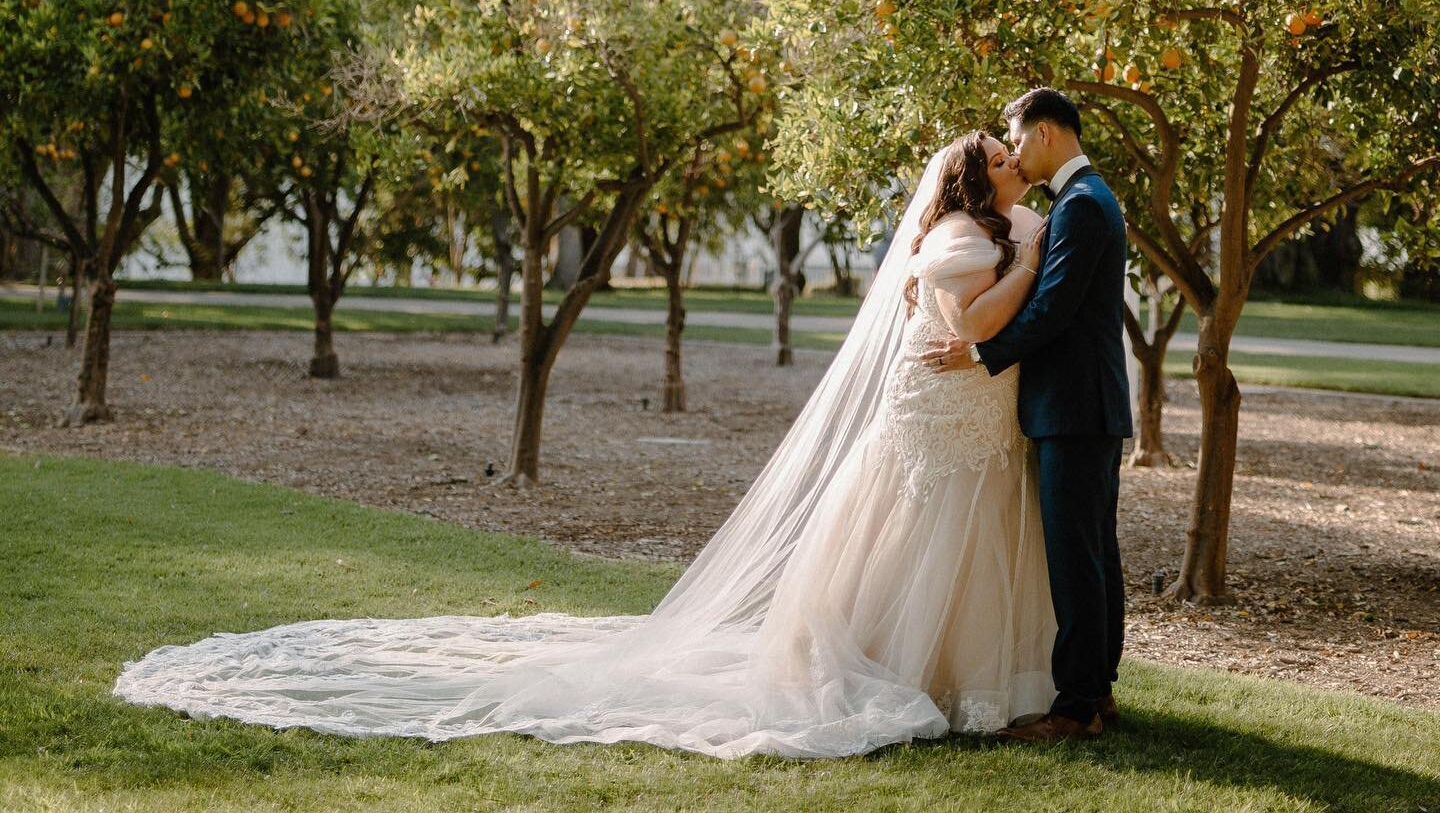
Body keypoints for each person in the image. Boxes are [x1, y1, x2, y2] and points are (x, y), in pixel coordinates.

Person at [114, 134, 1058, 759]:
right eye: (1000, 156)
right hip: (939, 413)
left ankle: (952, 671)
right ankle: (904, 668)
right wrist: (1022, 259)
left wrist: (1024, 243)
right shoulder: (958, 244)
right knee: (920, 529)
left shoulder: (999, 223)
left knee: (958, 536)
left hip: (968, 416)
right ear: (979, 181)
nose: (1015, 160)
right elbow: (966, 327)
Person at [921, 87, 1131, 743]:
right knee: (1091, 553)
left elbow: (1052, 313)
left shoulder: (1083, 206)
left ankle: (1075, 708)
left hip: (1073, 407)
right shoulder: (1083, 201)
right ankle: (1097, 692)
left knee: (1077, 557)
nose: (1013, 153)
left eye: (1015, 139)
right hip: (1081, 405)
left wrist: (981, 353)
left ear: (1043, 133)